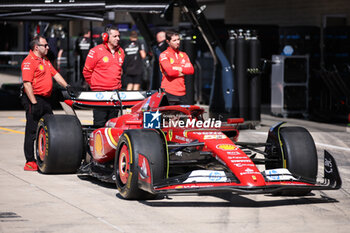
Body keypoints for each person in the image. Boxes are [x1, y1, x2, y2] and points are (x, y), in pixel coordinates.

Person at [21, 35, 70, 171]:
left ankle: (46, 156)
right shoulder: (29, 61)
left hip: (46, 99)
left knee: (50, 128)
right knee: (31, 130)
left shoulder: (45, 60)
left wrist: (67, 86)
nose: (48, 47)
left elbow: (55, 75)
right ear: (37, 47)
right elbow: (27, 84)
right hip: (34, 98)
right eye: (45, 45)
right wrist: (34, 103)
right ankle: (30, 161)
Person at [83, 25, 125, 127]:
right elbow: (86, 71)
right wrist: (95, 86)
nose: (118, 39)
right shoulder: (95, 51)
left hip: (115, 94)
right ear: (106, 37)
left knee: (113, 124)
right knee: (99, 124)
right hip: (100, 94)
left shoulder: (121, 51)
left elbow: (119, 70)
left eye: (118, 36)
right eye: (115, 36)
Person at [159, 31, 194, 105]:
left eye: (178, 39)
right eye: (174, 40)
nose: (177, 42)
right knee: (169, 116)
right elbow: (170, 72)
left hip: (182, 92)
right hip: (169, 92)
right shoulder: (164, 55)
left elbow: (191, 70)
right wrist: (183, 70)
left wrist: (178, 68)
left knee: (184, 116)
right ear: (168, 41)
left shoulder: (183, 54)